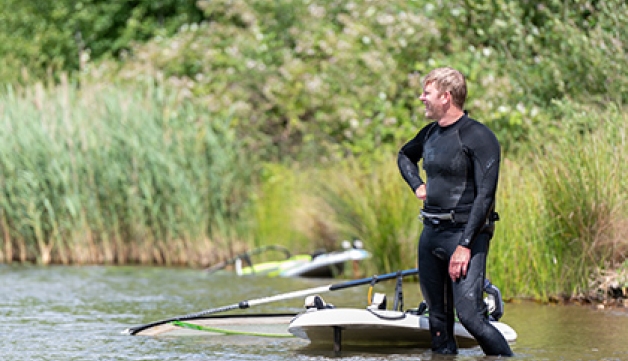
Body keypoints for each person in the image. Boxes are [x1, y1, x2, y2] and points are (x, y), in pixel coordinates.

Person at [397, 67, 513, 356]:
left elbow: (486, 196)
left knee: (471, 317)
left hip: (465, 235)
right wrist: (417, 185)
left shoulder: (479, 137)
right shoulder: (429, 134)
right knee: (438, 322)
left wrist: (464, 246)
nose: (421, 97)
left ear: (446, 97)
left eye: (427, 92)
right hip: (431, 234)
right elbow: (404, 156)